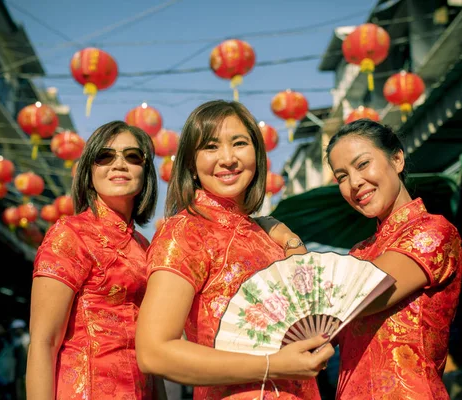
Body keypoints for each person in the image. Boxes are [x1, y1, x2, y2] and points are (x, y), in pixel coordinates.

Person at [136, 99, 335, 400]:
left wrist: (290, 239)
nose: (227, 158)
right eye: (211, 147)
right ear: (190, 163)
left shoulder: (266, 233)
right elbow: (154, 352)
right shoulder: (186, 231)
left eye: (239, 143)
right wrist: (271, 366)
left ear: (257, 153)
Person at [320, 119, 462, 399]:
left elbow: (364, 292)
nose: (354, 182)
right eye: (342, 176)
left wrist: (292, 246)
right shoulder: (358, 253)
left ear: (397, 159)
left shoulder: (434, 231)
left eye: (362, 164)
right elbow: (318, 331)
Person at [26, 120, 165, 399]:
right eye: (105, 156)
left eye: (132, 156)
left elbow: (151, 343)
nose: (119, 164)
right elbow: (44, 342)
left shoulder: (145, 247)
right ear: (89, 171)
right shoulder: (70, 235)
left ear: (145, 171)